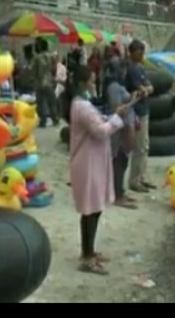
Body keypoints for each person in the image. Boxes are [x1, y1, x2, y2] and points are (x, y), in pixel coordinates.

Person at [65, 65, 129, 274]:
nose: (95, 84)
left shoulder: (83, 104)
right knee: (90, 210)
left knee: (94, 208)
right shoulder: (82, 106)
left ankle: (89, 251)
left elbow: (99, 123)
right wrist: (117, 119)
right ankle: (87, 256)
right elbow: (100, 131)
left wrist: (115, 114)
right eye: (92, 80)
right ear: (84, 83)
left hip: (93, 163)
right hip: (87, 163)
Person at [107, 59, 140, 210]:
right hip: (119, 131)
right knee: (118, 162)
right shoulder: (114, 87)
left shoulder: (119, 86)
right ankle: (117, 194)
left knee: (123, 161)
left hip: (125, 127)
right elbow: (118, 110)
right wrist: (133, 100)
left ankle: (120, 191)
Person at [124, 39, 155, 193]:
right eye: (139, 51)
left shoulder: (140, 68)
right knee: (139, 147)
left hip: (144, 110)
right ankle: (134, 180)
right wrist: (147, 90)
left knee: (145, 146)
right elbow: (143, 89)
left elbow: (150, 87)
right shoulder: (133, 70)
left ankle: (142, 176)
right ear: (132, 53)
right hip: (137, 112)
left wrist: (147, 89)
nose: (142, 54)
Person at [32, 38, 58, 127]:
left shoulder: (36, 58)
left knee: (41, 102)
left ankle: (43, 121)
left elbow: (34, 71)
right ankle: (55, 119)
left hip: (39, 82)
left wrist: (34, 79)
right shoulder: (52, 57)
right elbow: (54, 69)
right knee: (52, 101)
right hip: (49, 81)